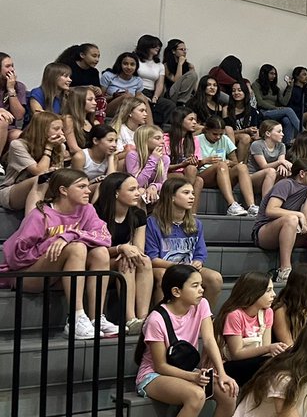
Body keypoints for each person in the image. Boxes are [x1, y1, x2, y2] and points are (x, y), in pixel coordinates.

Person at [135, 263, 238, 417]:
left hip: (185, 372)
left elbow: (210, 341)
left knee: (228, 392)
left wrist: (222, 374)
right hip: (153, 376)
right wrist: (192, 377)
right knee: (195, 395)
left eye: (201, 285)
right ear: (176, 291)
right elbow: (161, 365)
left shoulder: (201, 306)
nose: (202, 290)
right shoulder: (156, 319)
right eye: (195, 285)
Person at [0, 168, 116, 339]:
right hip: (29, 275)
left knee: (101, 253)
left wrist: (68, 236)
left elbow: (105, 237)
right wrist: (53, 246)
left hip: (63, 275)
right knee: (77, 248)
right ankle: (75, 318)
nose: (88, 190)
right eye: (82, 186)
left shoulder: (87, 210)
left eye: (88, 186)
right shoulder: (40, 215)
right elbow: (17, 256)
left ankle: (96, 318)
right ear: (63, 190)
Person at [145, 176, 224, 305]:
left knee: (215, 278)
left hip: (188, 268)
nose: (192, 197)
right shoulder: (153, 223)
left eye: (193, 193)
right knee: (163, 275)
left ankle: (203, 318)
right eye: (186, 193)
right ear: (171, 197)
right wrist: (178, 266)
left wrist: (198, 261)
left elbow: (200, 252)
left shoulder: (196, 224)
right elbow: (152, 258)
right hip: (165, 267)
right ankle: (162, 318)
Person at [94, 172, 153, 332]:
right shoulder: (97, 213)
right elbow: (92, 249)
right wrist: (121, 249)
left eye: (138, 189)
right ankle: (130, 318)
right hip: (99, 261)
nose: (138, 193)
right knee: (125, 260)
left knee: (144, 260)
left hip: (122, 258)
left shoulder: (138, 214)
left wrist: (129, 250)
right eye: (132, 189)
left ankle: (143, 318)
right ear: (116, 192)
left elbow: (139, 249)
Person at [253, 157, 307, 285]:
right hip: (264, 231)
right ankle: (284, 270)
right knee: (291, 219)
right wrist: (298, 214)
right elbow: (271, 210)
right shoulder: (286, 184)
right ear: (302, 173)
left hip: (290, 232)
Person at [215, 271, 289, 386]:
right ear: (254, 293)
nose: (274, 294)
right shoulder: (234, 315)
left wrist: (275, 350)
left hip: (257, 361)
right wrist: (269, 348)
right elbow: (236, 354)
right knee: (270, 365)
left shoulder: (267, 312)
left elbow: (266, 346)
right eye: (268, 290)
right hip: (231, 365)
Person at [0, 112, 68, 213]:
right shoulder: (18, 145)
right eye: (56, 129)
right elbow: (40, 172)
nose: (61, 133)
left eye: (62, 129)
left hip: (46, 189)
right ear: (42, 130)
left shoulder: (60, 147)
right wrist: (49, 148)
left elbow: (57, 174)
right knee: (42, 179)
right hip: (12, 191)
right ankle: (31, 225)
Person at [252, 64, 301, 144]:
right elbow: (260, 102)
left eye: (275, 74)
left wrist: (290, 87)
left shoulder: (274, 87)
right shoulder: (256, 85)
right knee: (288, 110)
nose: (274, 76)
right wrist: (275, 108)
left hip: (274, 112)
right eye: (271, 73)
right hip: (263, 111)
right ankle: (304, 132)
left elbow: (284, 102)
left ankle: (287, 144)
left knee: (287, 120)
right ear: (264, 73)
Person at [125, 123, 168, 206]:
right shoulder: (133, 156)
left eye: (163, 138)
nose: (163, 142)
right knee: (140, 192)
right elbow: (137, 183)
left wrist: (154, 186)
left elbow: (163, 183)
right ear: (145, 140)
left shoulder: (165, 159)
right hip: (134, 191)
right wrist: (153, 159)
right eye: (157, 138)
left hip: (154, 192)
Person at [77, 123, 118, 194]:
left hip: (101, 189)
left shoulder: (113, 157)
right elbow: (77, 183)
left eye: (116, 141)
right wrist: (94, 181)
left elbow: (112, 181)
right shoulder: (80, 157)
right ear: (95, 141)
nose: (114, 145)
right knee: (100, 186)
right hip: (81, 189)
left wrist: (111, 158)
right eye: (110, 140)